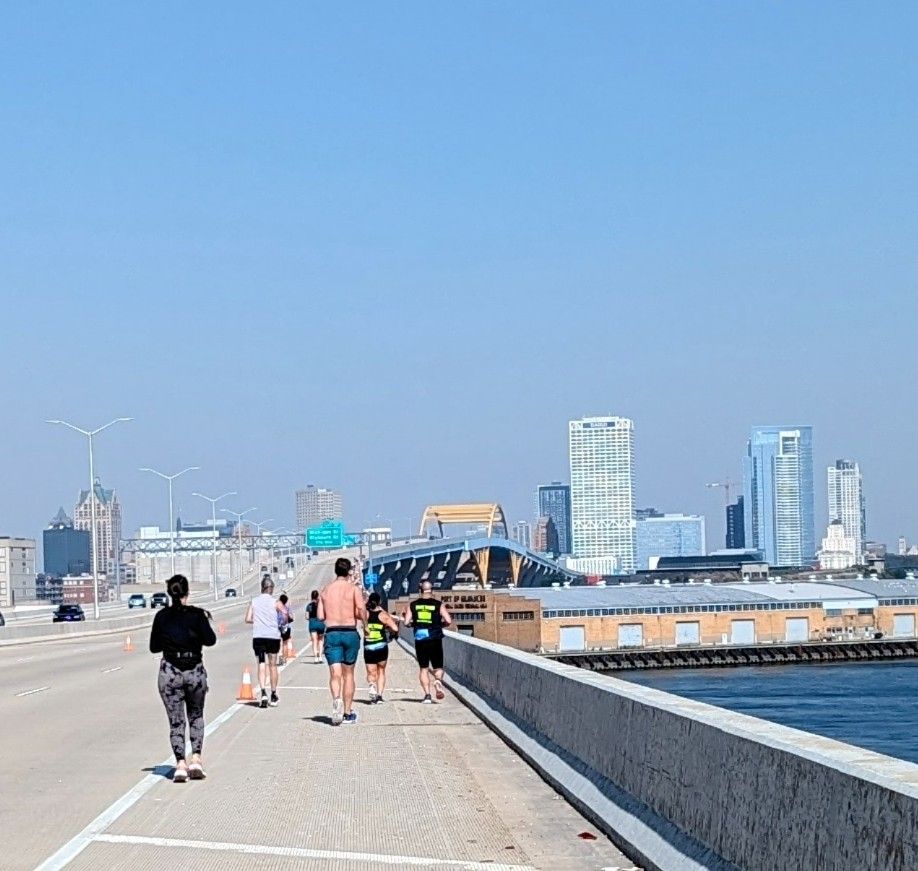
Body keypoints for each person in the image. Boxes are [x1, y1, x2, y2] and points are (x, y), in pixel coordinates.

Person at [149, 574, 216, 782]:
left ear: (170, 593)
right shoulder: (198, 615)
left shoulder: (161, 617)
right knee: (196, 716)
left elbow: (154, 647)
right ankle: (196, 759)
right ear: (187, 593)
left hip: (170, 672)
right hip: (194, 671)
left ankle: (180, 764)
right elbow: (211, 640)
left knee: (176, 721)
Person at [318, 557, 366, 725]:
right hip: (350, 632)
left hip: (332, 633)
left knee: (335, 673)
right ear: (348, 571)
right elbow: (361, 609)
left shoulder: (325, 590)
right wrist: (365, 626)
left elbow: (320, 616)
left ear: (335, 570)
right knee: (349, 674)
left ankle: (336, 699)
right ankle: (347, 712)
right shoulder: (353, 590)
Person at [404, 580, 452, 703]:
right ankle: (437, 681)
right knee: (438, 667)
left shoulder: (413, 604)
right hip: (435, 638)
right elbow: (448, 620)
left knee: (423, 668)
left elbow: (406, 622)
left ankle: (427, 696)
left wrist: (413, 624)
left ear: (420, 591)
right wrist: (440, 625)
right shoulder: (438, 604)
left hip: (420, 639)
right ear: (432, 591)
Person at [245, 575, 284, 708]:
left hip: (259, 636)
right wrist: (279, 622)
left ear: (262, 588)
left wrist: (258, 620)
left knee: (261, 664)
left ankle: (263, 693)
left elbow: (248, 618)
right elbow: (285, 615)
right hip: (273, 636)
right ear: (271, 588)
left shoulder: (254, 601)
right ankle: (273, 693)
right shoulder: (275, 602)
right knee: (273, 665)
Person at [363, 592, 400, 703]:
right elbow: (395, 628)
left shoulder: (365, 614)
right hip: (381, 646)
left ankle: (371, 686)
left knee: (371, 672)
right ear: (379, 602)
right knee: (381, 671)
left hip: (368, 646)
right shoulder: (383, 615)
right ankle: (379, 696)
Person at [306, 590, 325, 664]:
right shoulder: (320, 605)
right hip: (320, 623)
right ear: (317, 596)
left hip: (312, 623)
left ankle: (315, 658)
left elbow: (306, 616)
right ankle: (320, 657)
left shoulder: (309, 606)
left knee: (314, 641)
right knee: (320, 640)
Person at [277, 593, 293, 665]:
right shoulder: (287, 607)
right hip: (286, 627)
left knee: (278, 643)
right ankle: (284, 659)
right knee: (285, 643)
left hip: (277, 627)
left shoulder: (277, 608)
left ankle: (280, 658)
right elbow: (291, 617)